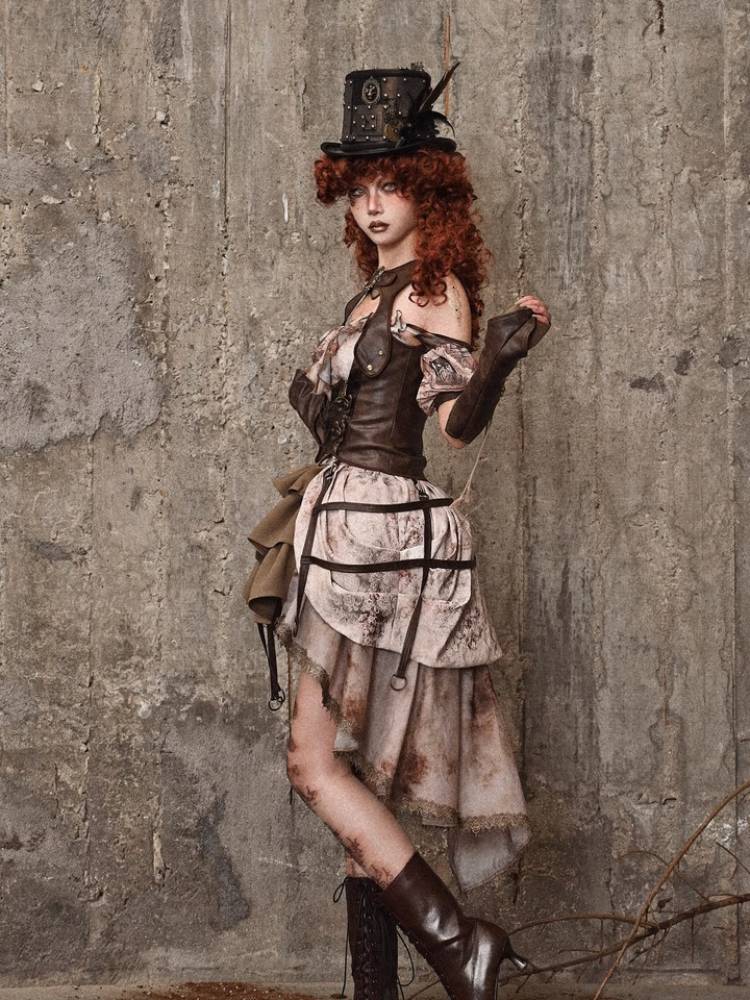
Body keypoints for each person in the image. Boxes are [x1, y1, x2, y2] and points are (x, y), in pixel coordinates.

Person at [272, 63, 552, 1000]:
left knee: (315, 765)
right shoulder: (368, 297)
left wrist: (496, 362)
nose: (372, 204)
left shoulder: (433, 292)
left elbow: (454, 427)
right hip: (340, 534)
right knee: (353, 775)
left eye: (390, 184)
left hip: (384, 549)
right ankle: (378, 990)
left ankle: (458, 944)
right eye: (359, 186)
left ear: (429, 192)